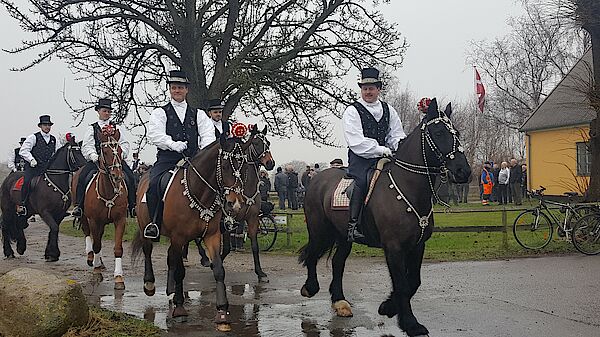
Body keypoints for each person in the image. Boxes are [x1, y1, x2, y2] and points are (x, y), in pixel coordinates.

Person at [143, 70, 216, 239]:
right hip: (167, 159)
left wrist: (203, 152)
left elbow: (208, 134)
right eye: (174, 87)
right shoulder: (160, 112)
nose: (177, 90)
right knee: (153, 184)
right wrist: (172, 144)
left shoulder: (198, 114)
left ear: (186, 90)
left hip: (193, 160)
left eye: (181, 87)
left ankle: (217, 221)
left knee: (214, 183)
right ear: (170, 89)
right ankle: (154, 222)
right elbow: (155, 134)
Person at [343, 67, 406, 241]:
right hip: (361, 158)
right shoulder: (352, 111)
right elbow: (356, 141)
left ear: (378, 89)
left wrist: (399, 146)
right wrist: (381, 149)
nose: (368, 91)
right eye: (365, 88)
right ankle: (353, 225)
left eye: (371, 88)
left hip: (385, 157)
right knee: (363, 181)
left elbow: (396, 134)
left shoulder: (389, 110)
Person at [72, 98, 137, 218]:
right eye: (104, 111)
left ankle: (132, 206)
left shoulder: (117, 128)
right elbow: (87, 145)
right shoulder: (92, 128)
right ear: (98, 111)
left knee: (130, 178)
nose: (107, 113)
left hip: (115, 161)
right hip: (97, 161)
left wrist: (121, 154)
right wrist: (93, 155)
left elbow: (125, 143)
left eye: (108, 111)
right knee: (82, 178)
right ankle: (79, 207)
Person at [17, 115, 59, 216]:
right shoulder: (33, 137)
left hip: (46, 168)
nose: (47, 127)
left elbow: (57, 153)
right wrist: (31, 159)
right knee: (27, 181)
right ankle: (22, 204)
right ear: (40, 126)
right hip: (33, 167)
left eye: (49, 125)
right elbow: (23, 151)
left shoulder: (54, 139)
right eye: (45, 125)